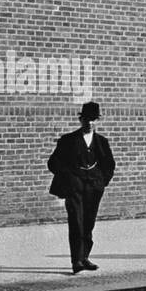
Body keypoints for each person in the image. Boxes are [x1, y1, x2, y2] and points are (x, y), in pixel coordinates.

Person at [47, 101, 115, 275]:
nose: (90, 123)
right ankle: (76, 261)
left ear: (97, 121)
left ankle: (85, 257)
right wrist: (68, 178)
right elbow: (53, 163)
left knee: (89, 223)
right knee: (76, 222)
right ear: (81, 119)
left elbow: (109, 164)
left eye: (93, 120)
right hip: (75, 187)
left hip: (94, 187)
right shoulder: (68, 140)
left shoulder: (101, 142)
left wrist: (102, 182)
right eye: (86, 119)